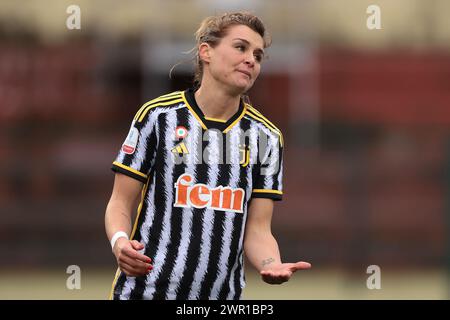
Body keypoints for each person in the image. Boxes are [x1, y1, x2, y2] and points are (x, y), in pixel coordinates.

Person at [105, 11, 311, 300]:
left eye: (258, 55)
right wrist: (120, 242)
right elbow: (120, 202)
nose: (251, 59)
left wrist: (271, 264)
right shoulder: (157, 117)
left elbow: (258, 229)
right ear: (206, 52)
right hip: (145, 293)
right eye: (240, 47)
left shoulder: (266, 137)